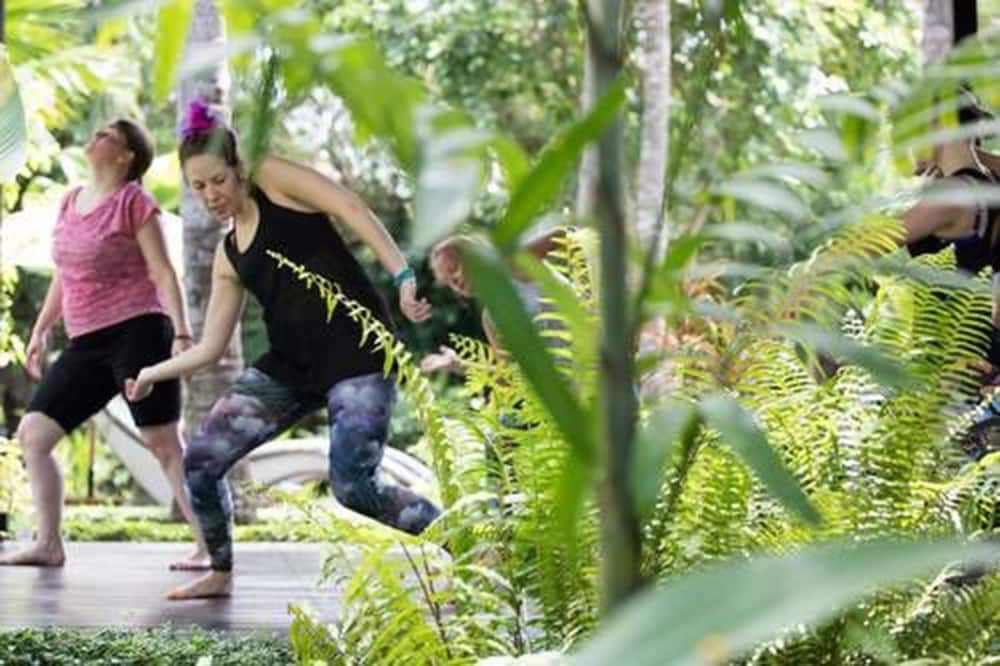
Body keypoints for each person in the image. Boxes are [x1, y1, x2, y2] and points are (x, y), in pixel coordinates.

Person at [125, 101, 440, 600]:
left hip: (357, 352)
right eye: (198, 187)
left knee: (353, 487)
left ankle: (465, 541)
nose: (211, 195)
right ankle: (219, 570)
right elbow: (210, 348)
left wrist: (402, 276)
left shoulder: (274, 180)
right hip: (291, 368)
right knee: (200, 461)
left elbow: (350, 207)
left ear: (239, 168)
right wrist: (151, 372)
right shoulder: (229, 255)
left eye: (218, 180)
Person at [0, 119, 208, 570]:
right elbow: (65, 274)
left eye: (107, 135)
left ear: (126, 156)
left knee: (163, 443)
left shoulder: (135, 202)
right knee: (34, 435)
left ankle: (209, 547)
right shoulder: (70, 201)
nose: (94, 136)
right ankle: (48, 544)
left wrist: (181, 333)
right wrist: (41, 329)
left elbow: (162, 272)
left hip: (139, 331)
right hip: (87, 342)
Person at [420, 228, 567, 375]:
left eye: (454, 269)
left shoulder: (514, 265)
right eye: (448, 281)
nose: (454, 282)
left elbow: (565, 234)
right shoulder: (491, 319)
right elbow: (511, 377)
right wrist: (461, 365)